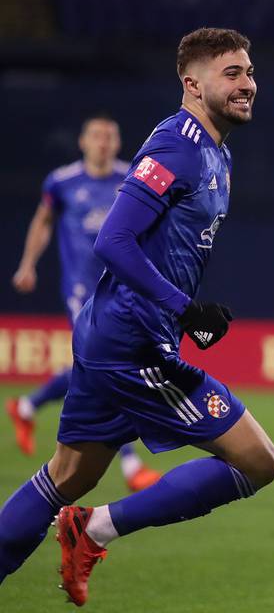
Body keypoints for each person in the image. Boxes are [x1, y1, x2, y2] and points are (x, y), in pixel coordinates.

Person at [0, 28, 274, 607]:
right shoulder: (178, 146)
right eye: (231, 74)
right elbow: (114, 240)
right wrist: (185, 309)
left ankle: (72, 528)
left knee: (65, 476)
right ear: (192, 84)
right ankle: (94, 529)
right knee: (256, 461)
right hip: (134, 346)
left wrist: (183, 308)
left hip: (114, 337)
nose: (248, 84)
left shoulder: (213, 148)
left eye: (249, 72)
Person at [7, 114, 161, 492]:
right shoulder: (62, 182)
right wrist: (28, 263)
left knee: (94, 368)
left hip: (121, 288)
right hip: (81, 290)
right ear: (83, 142)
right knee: (110, 364)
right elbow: (43, 222)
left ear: (118, 141)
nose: (103, 142)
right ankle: (130, 465)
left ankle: (27, 407)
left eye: (110, 136)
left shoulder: (132, 178)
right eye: (96, 136)